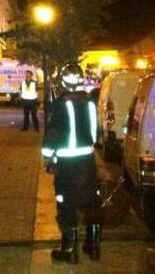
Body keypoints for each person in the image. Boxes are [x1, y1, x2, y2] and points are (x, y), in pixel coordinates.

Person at [42, 62, 102, 264]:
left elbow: (52, 134)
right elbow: (96, 134)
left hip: (67, 162)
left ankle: (69, 250)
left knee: (66, 203)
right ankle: (93, 248)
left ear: (63, 81)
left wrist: (48, 158)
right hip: (87, 160)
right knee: (91, 201)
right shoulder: (90, 102)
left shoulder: (59, 104)